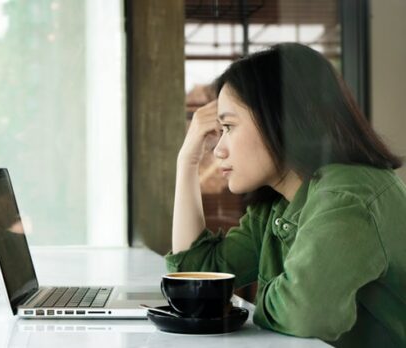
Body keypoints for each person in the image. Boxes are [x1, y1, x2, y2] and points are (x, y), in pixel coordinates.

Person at [165, 43, 406, 348]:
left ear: (279, 118)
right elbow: (197, 277)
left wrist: (255, 301)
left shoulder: (348, 195)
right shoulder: (278, 205)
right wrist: (186, 162)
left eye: (228, 127)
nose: (219, 149)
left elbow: (307, 312)